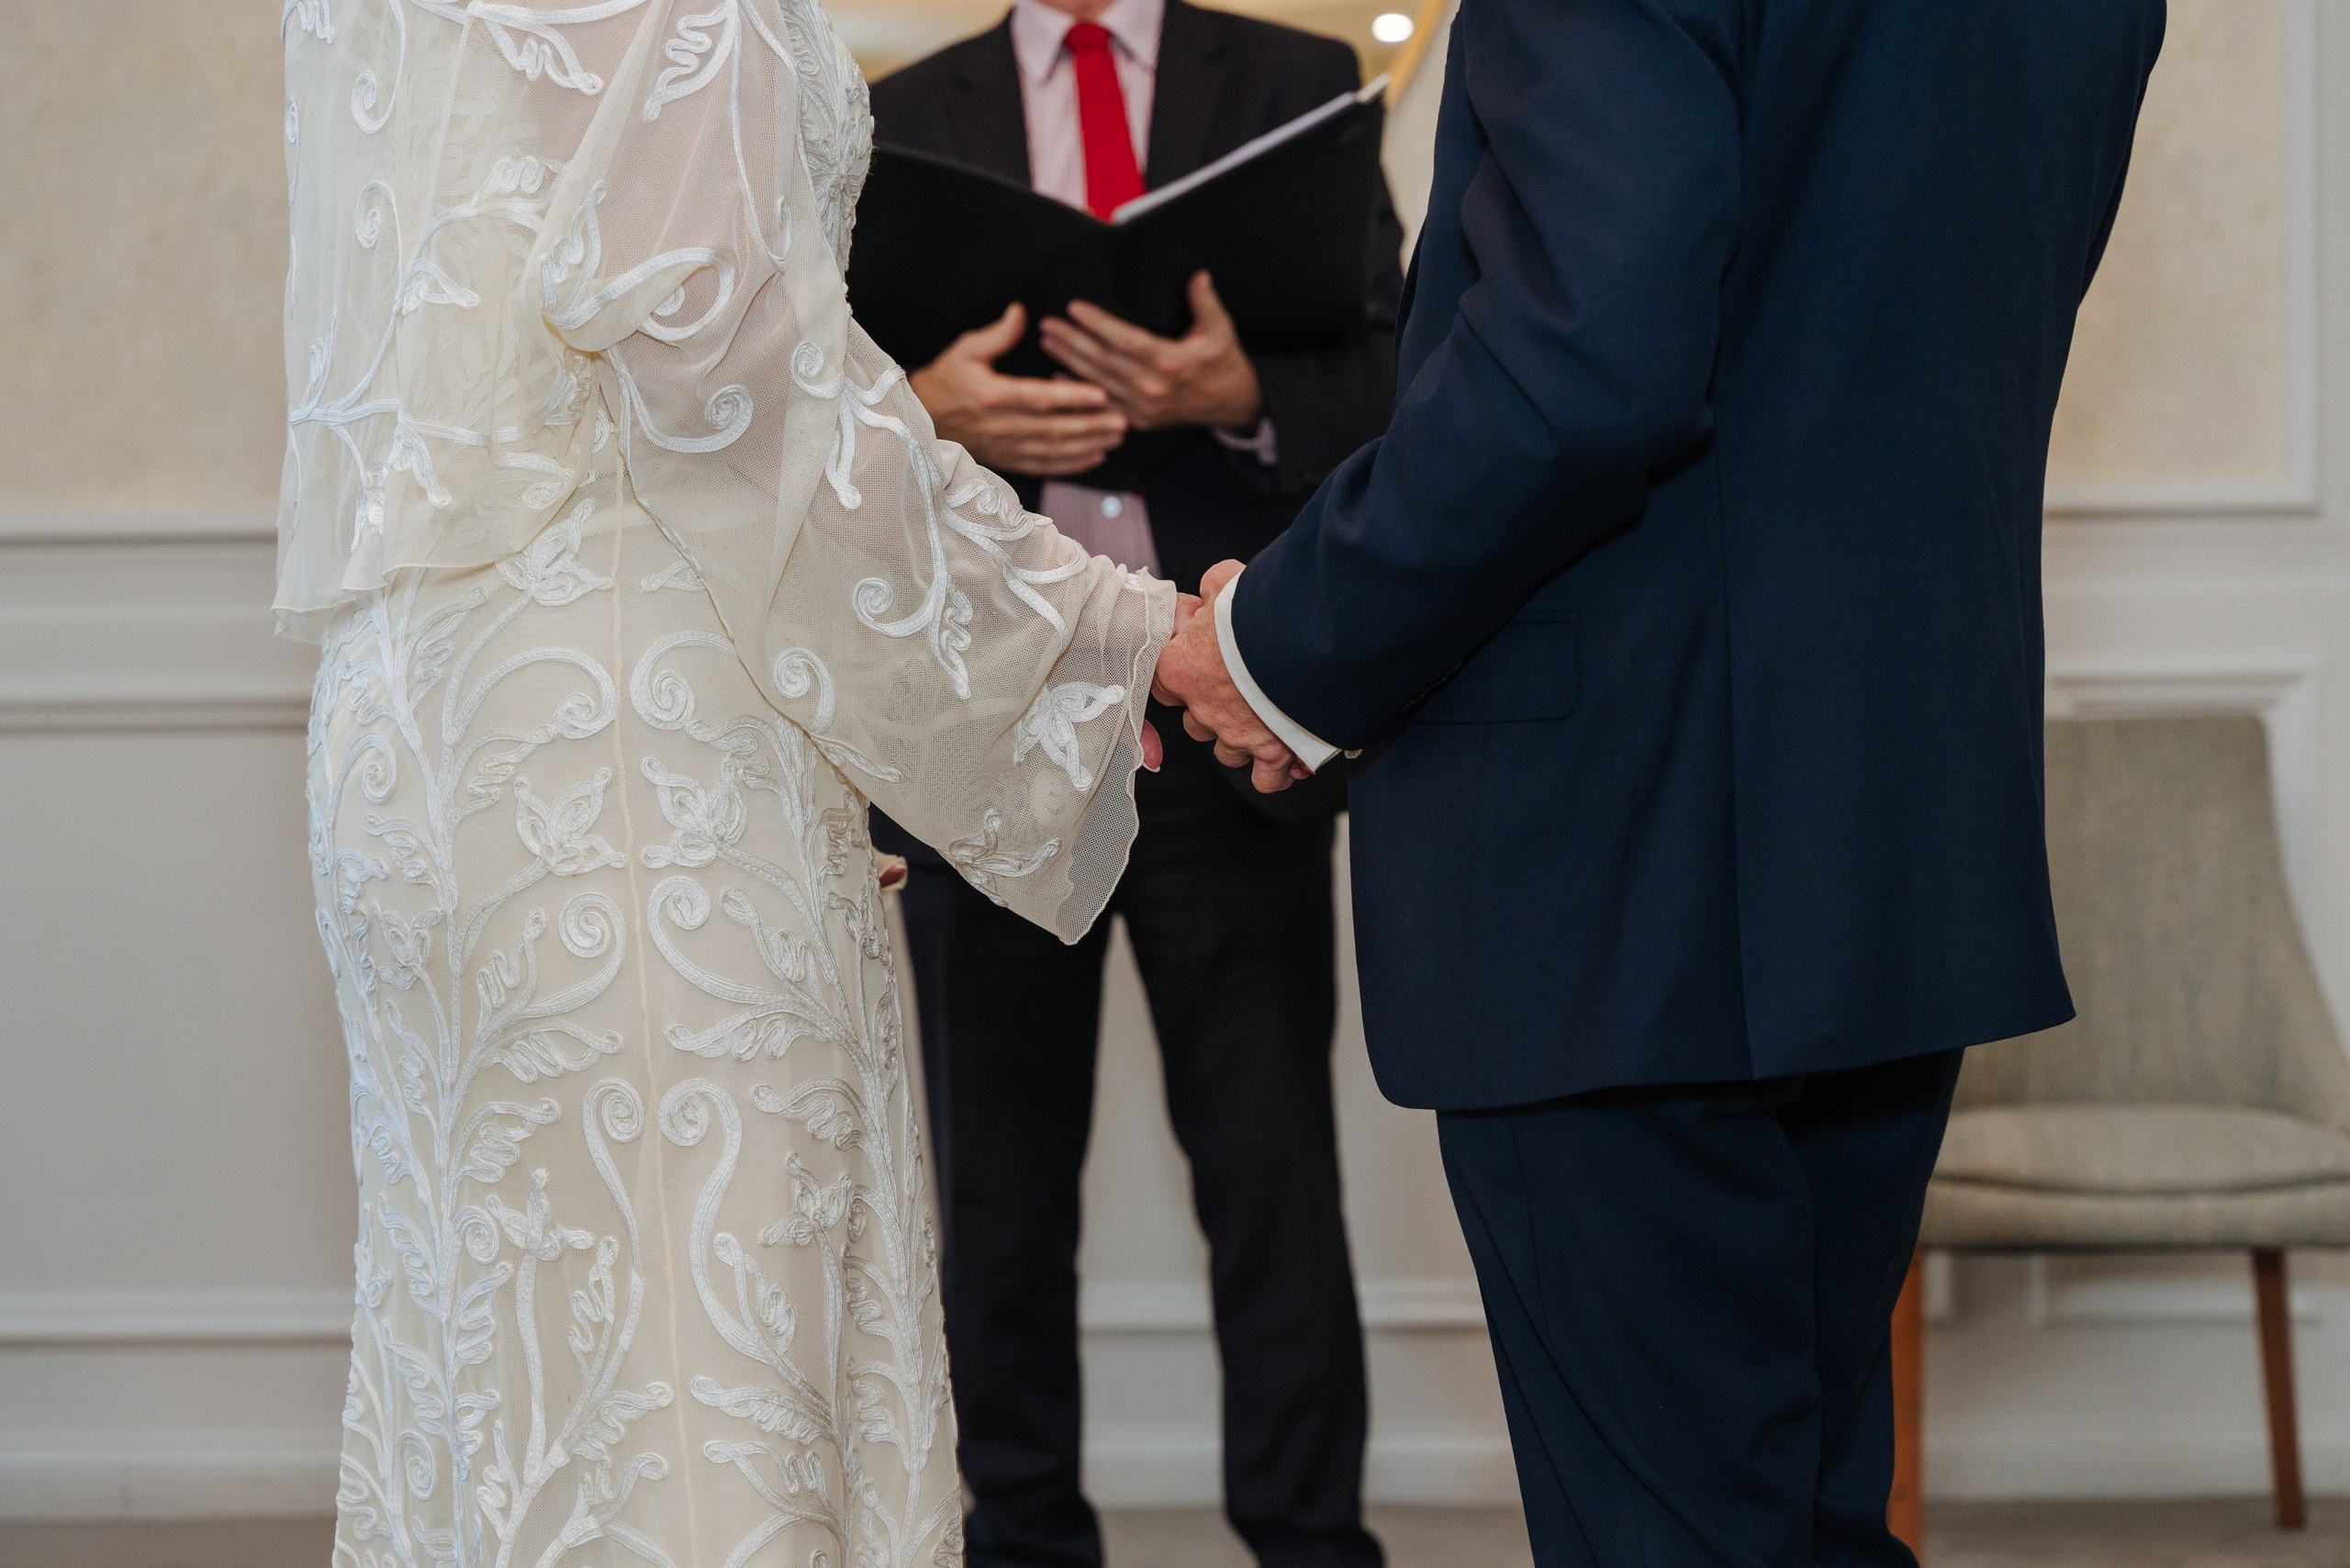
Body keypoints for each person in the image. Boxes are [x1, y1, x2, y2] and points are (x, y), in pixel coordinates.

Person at [1158, 2, 2167, 1563]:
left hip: (1612, 850)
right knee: (1809, 1514)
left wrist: (1279, 643)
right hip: (1891, 819)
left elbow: (1584, 361)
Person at [282, 4, 1182, 1563]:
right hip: (633, 759)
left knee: (518, 1397)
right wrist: (1112, 628)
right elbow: (725, 375)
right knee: (687, 1415)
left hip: (426, 731)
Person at [866, 7, 1401, 1568]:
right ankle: (1023, 1546)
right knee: (999, 1203)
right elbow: (799, 421)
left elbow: (1407, 381)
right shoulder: (905, 114)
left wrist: (1239, 397)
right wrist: (931, 417)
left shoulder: (1296, 87)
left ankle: (1310, 1542)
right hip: (987, 739)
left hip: (1228, 733)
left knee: (1274, 1187)